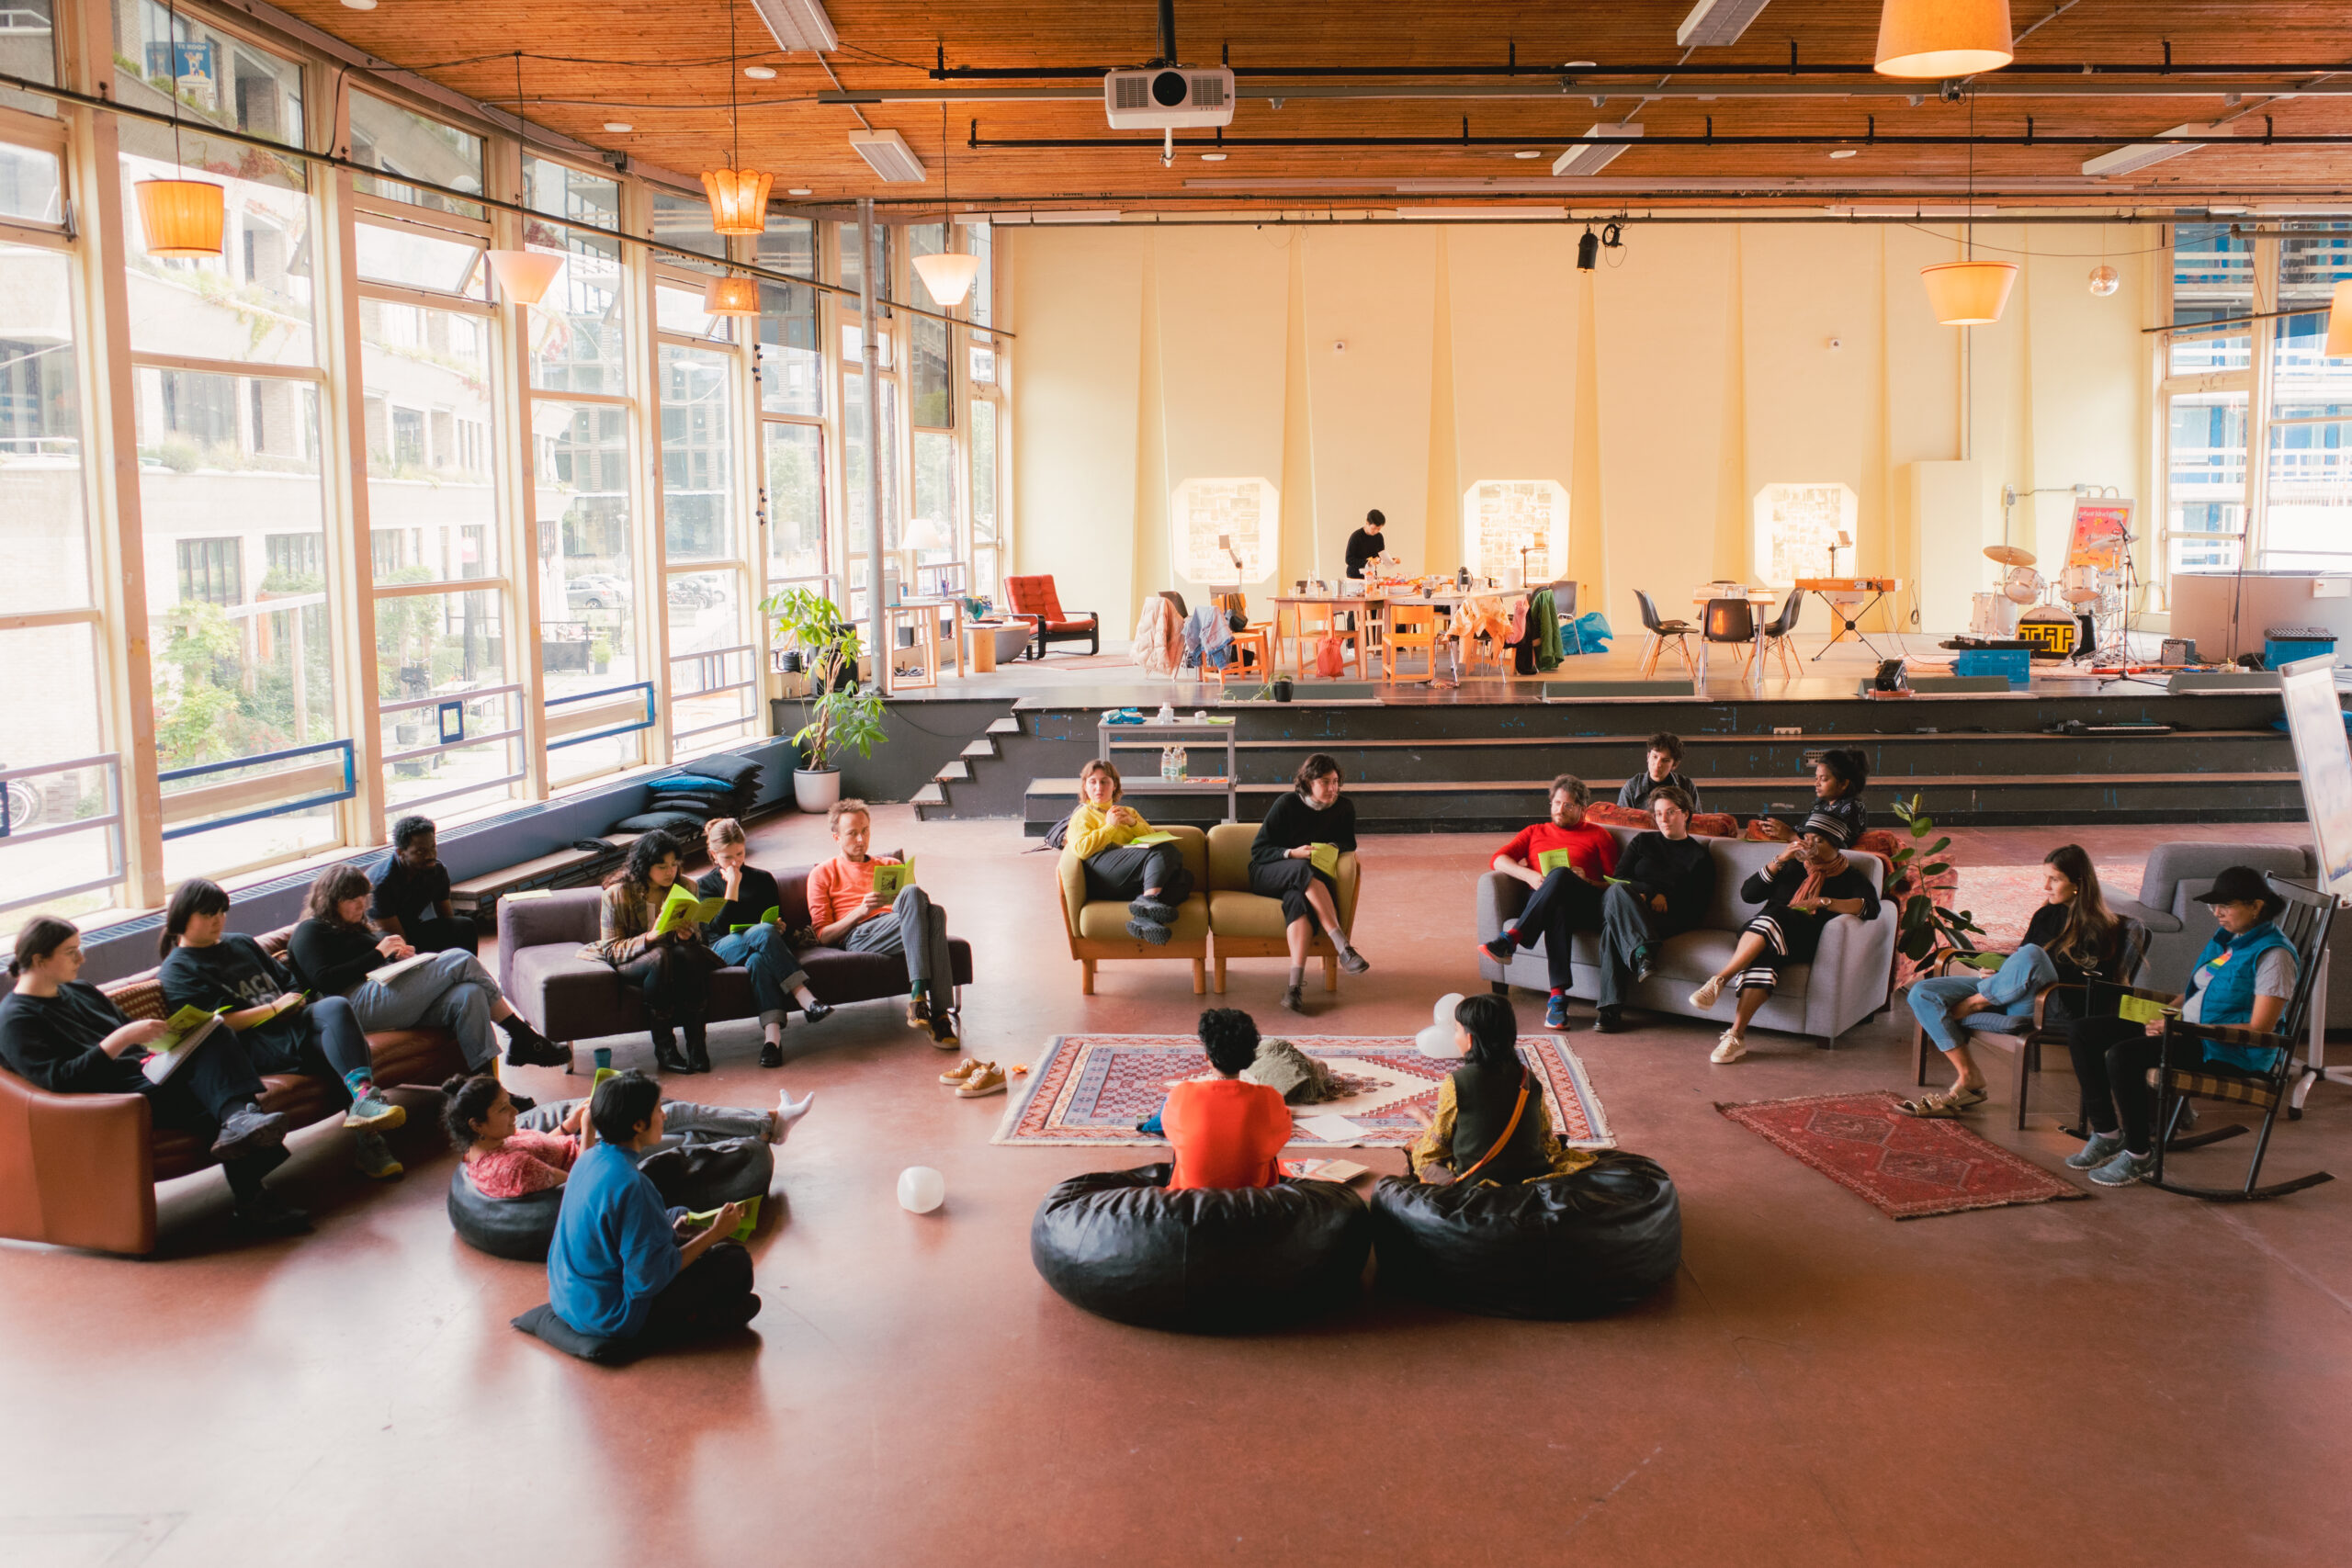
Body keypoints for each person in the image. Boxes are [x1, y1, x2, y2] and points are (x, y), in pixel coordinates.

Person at [4, 916, 305, 1235]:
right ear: (39, 960)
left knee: (213, 1033)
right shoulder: (15, 1019)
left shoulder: (79, 990)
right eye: (71, 951)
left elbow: (138, 1040)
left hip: (148, 1071)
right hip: (111, 1094)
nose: (82, 958)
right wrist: (123, 1038)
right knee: (218, 1094)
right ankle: (246, 1155)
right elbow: (59, 1079)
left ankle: (241, 1130)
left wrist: (169, 1041)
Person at [2063, 865, 2298, 1189]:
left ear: (2256, 906)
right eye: (2213, 905)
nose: (2216, 913)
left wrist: (2179, 1030)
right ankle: (2107, 1134)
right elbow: (2201, 991)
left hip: (2227, 1049)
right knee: (2083, 1031)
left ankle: (2139, 1155)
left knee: (2122, 1056)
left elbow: (2261, 1028)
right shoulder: (2232, 941)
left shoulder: (2275, 955)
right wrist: (2165, 1013)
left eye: (2226, 906)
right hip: (2189, 1029)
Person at [159, 878, 410, 1180]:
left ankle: (364, 1099)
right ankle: (371, 1143)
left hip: (292, 1023)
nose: (218, 921)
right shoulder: (178, 969)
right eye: (208, 914)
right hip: (256, 1044)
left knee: (335, 1007)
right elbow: (212, 1025)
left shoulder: (240, 943)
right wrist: (272, 1010)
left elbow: (287, 981)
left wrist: (292, 1003)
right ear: (182, 917)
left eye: (221, 912)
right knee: (339, 1050)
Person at [1900, 845, 2130, 1118]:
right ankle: (1969, 1075)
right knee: (1922, 992)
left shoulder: (2101, 927)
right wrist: (2000, 973)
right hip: (2006, 992)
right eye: (2045, 877)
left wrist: (2014, 974)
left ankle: (1976, 1002)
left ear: (2079, 884)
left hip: (2049, 1003)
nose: (2046, 886)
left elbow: (2090, 989)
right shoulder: (2045, 914)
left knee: (2032, 954)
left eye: (2054, 879)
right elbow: (2020, 960)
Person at [546, 1070, 761, 1347]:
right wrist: (716, 1233)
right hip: (611, 1315)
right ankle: (689, 1322)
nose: (665, 1116)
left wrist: (672, 1234)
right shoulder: (632, 1184)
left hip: (567, 1296)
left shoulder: (587, 1160)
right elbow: (648, 1280)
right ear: (638, 1124)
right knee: (735, 1262)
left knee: (679, 1214)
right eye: (659, 1109)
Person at [288, 863, 567, 1072]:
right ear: (331, 900)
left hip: (378, 994)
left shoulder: (355, 927)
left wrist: (397, 957)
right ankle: (523, 1038)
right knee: (460, 958)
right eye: (352, 899)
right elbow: (324, 980)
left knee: (469, 994)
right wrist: (378, 953)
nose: (361, 905)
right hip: (346, 1008)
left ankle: (487, 1093)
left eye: (363, 897)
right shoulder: (310, 931)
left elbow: (370, 963)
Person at [442, 1072, 812, 1199]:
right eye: (503, 1109)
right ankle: (770, 1125)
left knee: (676, 1116)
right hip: (602, 1159)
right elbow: (582, 1185)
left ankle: (770, 1123)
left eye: (510, 1104)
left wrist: (569, 1125)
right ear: (476, 1124)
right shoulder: (513, 1168)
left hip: (586, 1143)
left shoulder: (492, 1143)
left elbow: (544, 1143)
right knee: (677, 1121)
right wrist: (586, 1131)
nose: (514, 1114)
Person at [1686, 829, 1881, 1064]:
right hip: (1763, 933)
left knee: (1777, 912)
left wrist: (1823, 902)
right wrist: (1779, 860)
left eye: (1819, 841)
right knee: (1764, 955)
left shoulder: (1851, 875)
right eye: (1808, 839)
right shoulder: (1792, 866)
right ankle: (1735, 1036)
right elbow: (1748, 894)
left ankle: (1720, 979)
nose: (1811, 845)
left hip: (1803, 940)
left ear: (1837, 845)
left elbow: (1871, 908)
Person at [806, 800, 960, 1047]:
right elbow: (823, 935)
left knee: (934, 912)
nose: (860, 839)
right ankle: (929, 1006)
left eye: (865, 830)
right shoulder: (822, 873)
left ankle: (932, 1010)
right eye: (852, 833)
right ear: (836, 838)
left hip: (898, 927)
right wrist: (861, 911)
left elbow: (917, 912)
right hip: (858, 934)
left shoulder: (890, 865)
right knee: (933, 913)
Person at [1477, 774, 1620, 1030]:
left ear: (1582, 809)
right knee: (1557, 907)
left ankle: (1512, 939)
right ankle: (1558, 1000)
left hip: (1587, 904)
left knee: (1561, 875)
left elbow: (1616, 884)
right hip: (1549, 904)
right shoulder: (1534, 832)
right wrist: (1529, 875)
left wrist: (1587, 880)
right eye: (1556, 803)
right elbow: (1498, 860)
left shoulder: (1599, 836)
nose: (1560, 810)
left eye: (1568, 805)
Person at [580, 832, 729, 1075]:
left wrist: (689, 936)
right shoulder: (617, 894)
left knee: (690, 954)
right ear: (644, 866)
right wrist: (650, 937)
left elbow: (699, 935)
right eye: (662, 866)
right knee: (660, 956)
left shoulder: (687, 886)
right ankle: (665, 1049)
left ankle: (697, 1047)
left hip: (675, 955)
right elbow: (611, 950)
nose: (670, 872)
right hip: (635, 960)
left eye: (674, 865)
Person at [1407, 995, 1595, 1185]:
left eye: (1456, 1030)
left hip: (1477, 1181)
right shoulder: (1528, 1078)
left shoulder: (1456, 1083)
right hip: (1531, 1175)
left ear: (1470, 1040)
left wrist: (1424, 1119)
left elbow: (1439, 1145)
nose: (1455, 1038)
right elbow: (1546, 1140)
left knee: (1420, 1152)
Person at [696, 818, 832, 1070]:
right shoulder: (704, 886)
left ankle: (773, 1040)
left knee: (760, 958)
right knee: (762, 933)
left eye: (740, 853)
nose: (736, 862)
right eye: (727, 857)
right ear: (714, 855)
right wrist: (732, 887)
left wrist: (779, 927)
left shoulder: (763, 879)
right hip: (721, 949)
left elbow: (772, 918)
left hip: (761, 944)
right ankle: (805, 998)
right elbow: (712, 930)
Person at [1248, 754, 1371, 1013]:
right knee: (1301, 869)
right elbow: (1259, 850)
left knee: (1298, 902)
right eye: (1325, 782)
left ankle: (1294, 988)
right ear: (1308, 782)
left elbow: (1348, 842)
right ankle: (1343, 946)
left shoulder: (1344, 807)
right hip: (1268, 872)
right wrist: (1293, 853)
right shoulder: (1287, 804)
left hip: (1306, 880)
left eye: (1336, 782)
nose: (1333, 788)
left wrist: (1331, 848)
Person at [1592, 785, 1717, 1033]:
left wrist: (1664, 899)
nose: (1663, 819)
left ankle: (1610, 1009)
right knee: (1617, 892)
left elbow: (1697, 906)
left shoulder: (1699, 857)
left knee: (1612, 928)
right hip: (1632, 903)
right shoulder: (1643, 842)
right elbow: (1618, 878)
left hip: (1667, 918)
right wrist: (1651, 893)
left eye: (1670, 812)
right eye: (1658, 813)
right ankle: (1641, 952)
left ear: (1686, 813)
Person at [1066, 760, 1194, 946]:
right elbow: (1082, 850)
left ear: (1115, 785)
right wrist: (1110, 827)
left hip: (1129, 880)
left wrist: (1133, 824)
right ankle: (1149, 899)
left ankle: (1143, 918)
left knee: (1185, 878)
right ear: (1085, 786)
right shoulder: (1082, 816)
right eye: (1092, 782)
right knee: (1164, 851)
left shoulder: (1128, 812)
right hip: (1102, 875)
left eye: (1105, 782)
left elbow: (1153, 838)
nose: (1098, 787)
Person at [1163, 1009, 1291, 1190]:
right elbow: (1282, 1131)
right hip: (1254, 1208)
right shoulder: (1269, 1098)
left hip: (1190, 1207)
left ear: (1207, 1055)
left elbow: (1171, 1130)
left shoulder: (1181, 1095)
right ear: (1250, 1057)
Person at [368, 815, 477, 955]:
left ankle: (469, 973)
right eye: (420, 851)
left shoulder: (436, 871)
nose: (430, 855)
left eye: (433, 848)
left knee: (464, 926)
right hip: (381, 942)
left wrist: (453, 941)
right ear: (401, 853)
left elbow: (446, 917)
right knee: (400, 951)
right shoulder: (381, 884)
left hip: (412, 929)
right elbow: (398, 941)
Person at [1753, 748, 1869, 848]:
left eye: (1823, 779)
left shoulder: (1852, 807)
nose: (1816, 783)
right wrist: (1776, 829)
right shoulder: (1822, 804)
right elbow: (1804, 831)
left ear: (1843, 784)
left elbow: (1827, 851)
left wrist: (1789, 835)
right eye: (1816, 778)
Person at [1618, 731, 1703, 813]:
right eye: (1655, 757)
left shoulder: (1686, 785)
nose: (1658, 764)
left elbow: (1697, 822)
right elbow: (1621, 822)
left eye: (1665, 760)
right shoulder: (1632, 786)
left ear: (1675, 765)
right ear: (1648, 757)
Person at [1343, 509, 1386, 580]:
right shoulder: (1356, 536)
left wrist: (1391, 561)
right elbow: (1348, 559)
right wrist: (1368, 562)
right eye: (1374, 528)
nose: (1376, 531)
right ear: (1367, 522)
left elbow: (1381, 555)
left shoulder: (1379, 537)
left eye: (1378, 529)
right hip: (1355, 575)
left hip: (1371, 573)